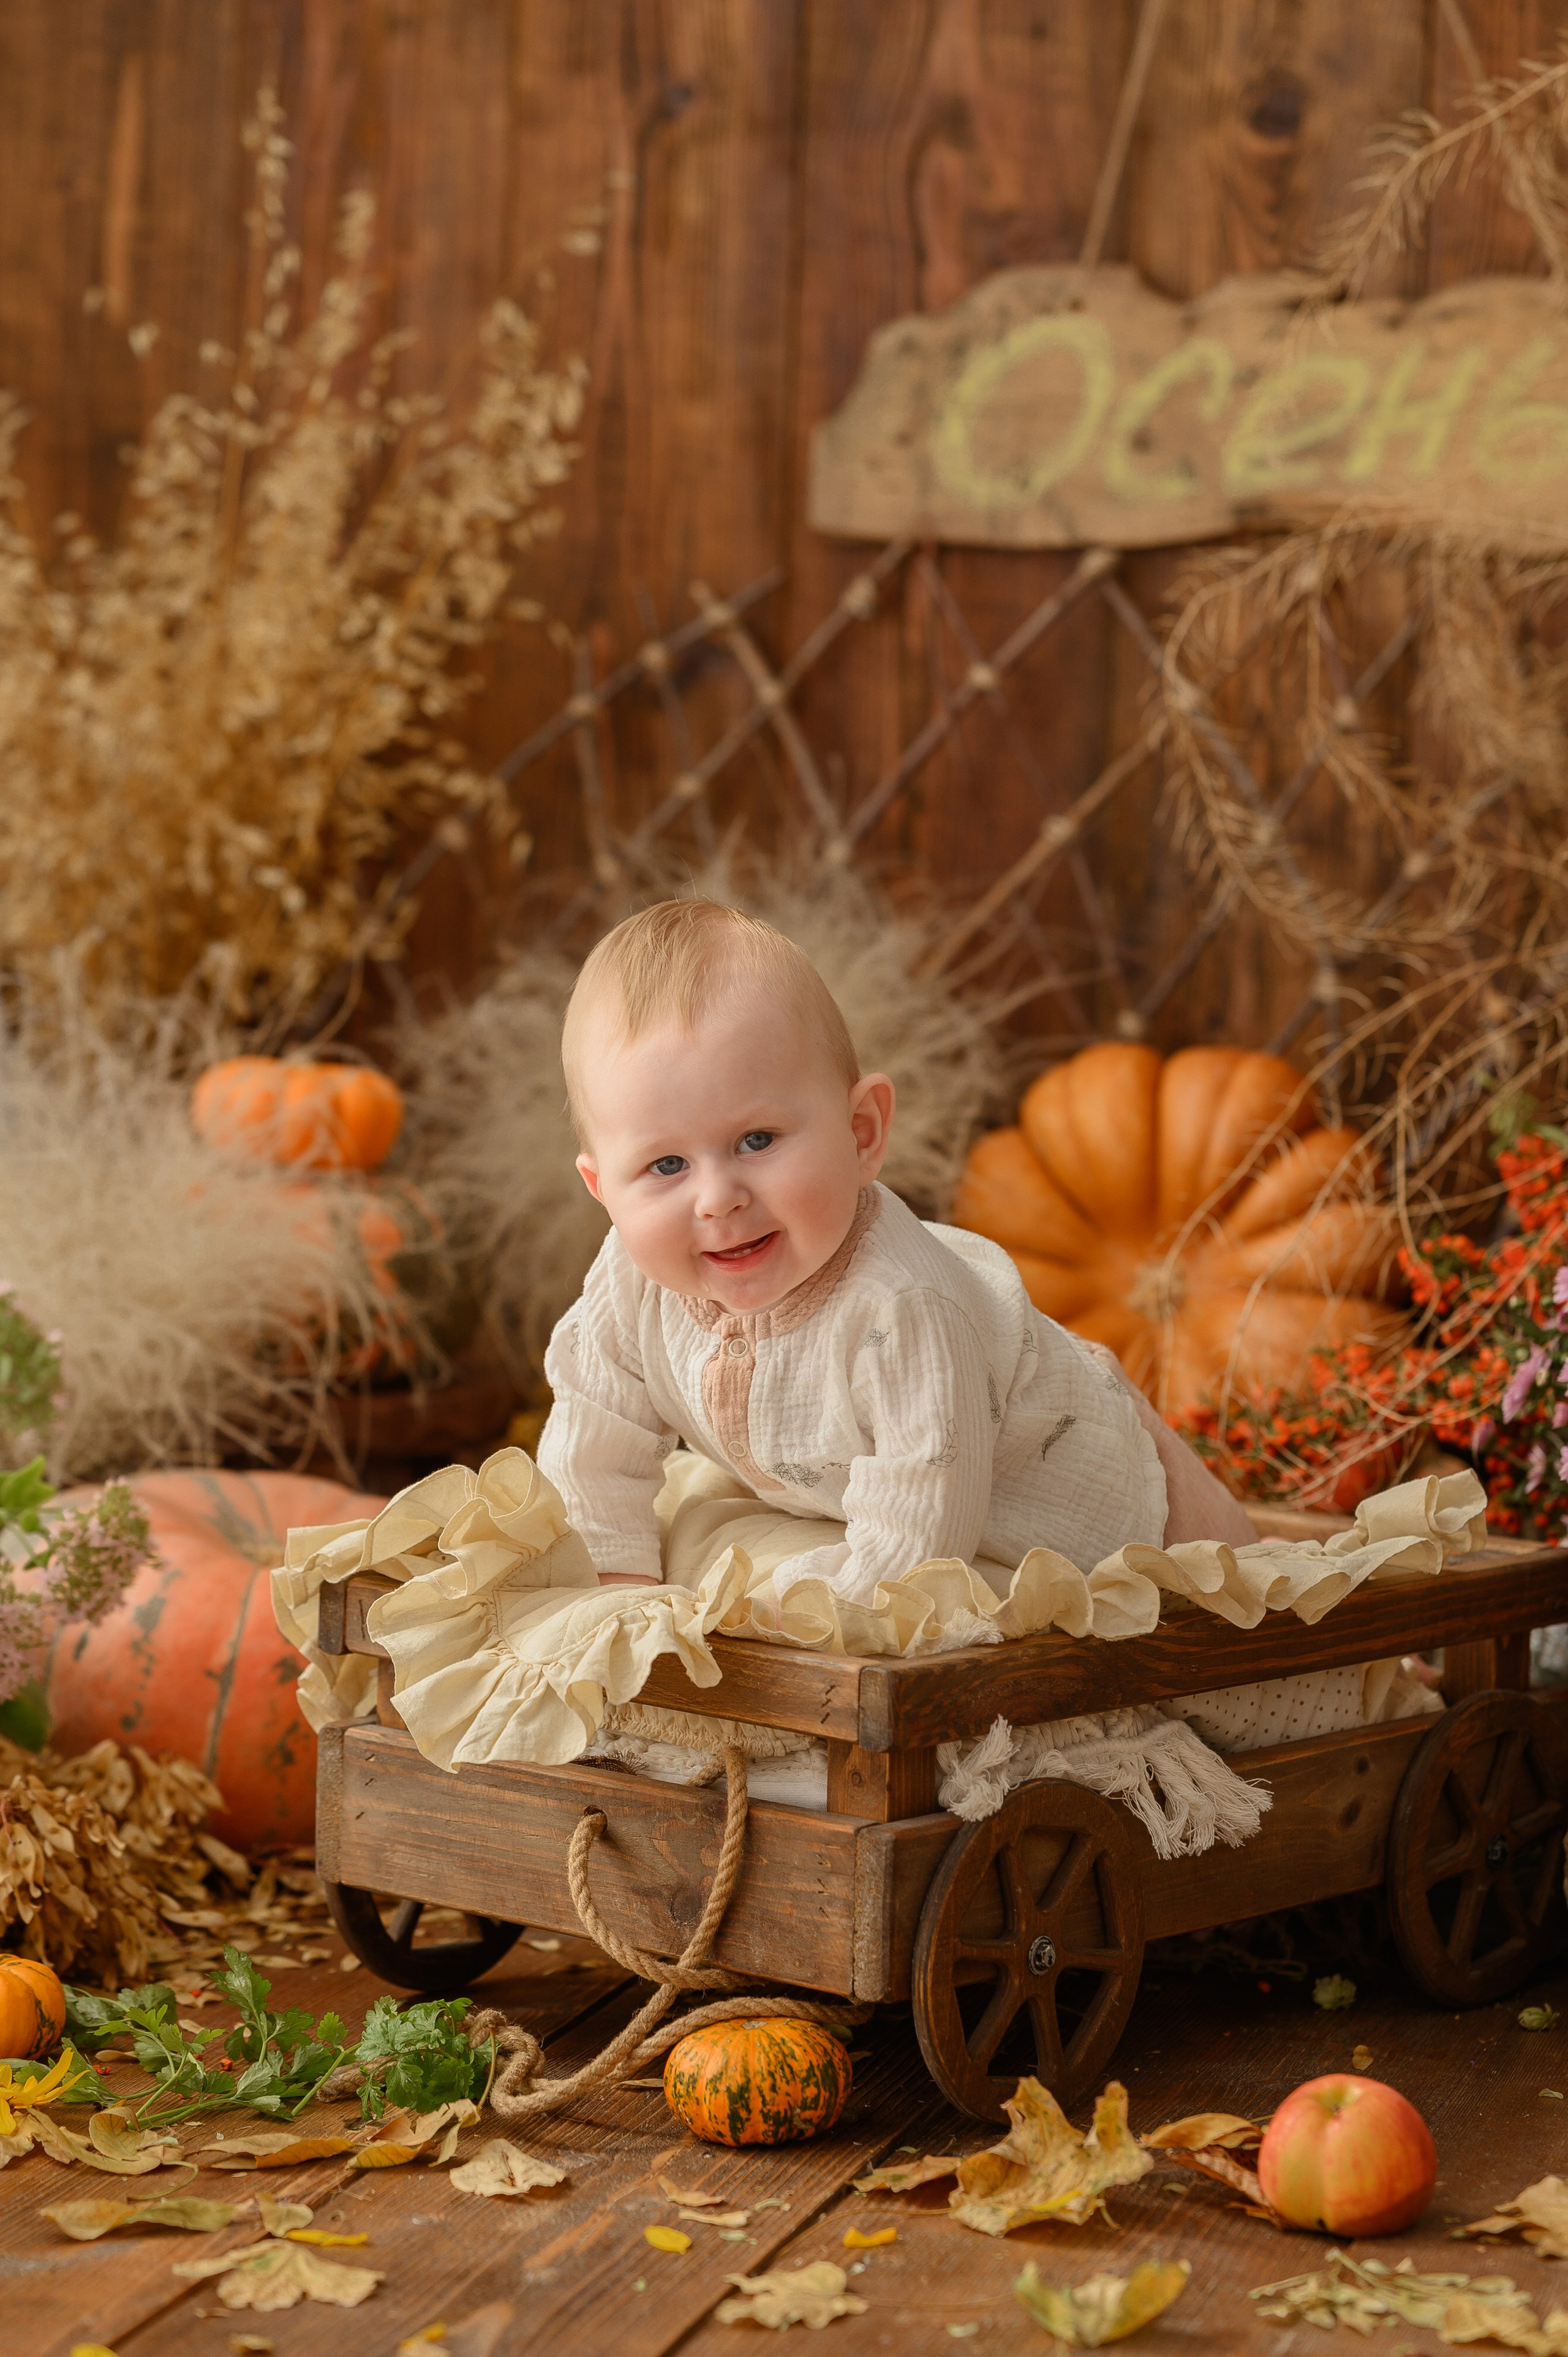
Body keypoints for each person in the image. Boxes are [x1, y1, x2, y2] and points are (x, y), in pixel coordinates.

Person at [539, 897, 1255, 1605]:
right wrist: (618, 1595)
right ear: (602, 1188)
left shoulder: (902, 1305)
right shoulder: (630, 1278)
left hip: (1092, 1533)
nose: (717, 1197)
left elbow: (914, 1558)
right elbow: (593, 1439)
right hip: (857, 1514)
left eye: (756, 1140)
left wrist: (789, 1628)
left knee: (1247, 1616)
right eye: (666, 1166)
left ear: (861, 1132)